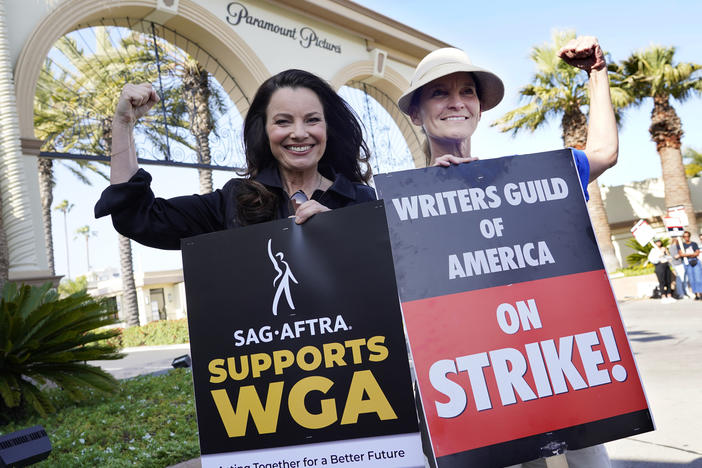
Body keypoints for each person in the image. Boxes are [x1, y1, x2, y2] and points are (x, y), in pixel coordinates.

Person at [398, 36, 617, 468]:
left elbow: (603, 153)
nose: (456, 102)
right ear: (416, 113)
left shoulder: (522, 182)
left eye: (467, 91)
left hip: (550, 371)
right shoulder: (397, 204)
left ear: (479, 107)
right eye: (440, 92)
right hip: (465, 390)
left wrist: (597, 74)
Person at [95, 69, 376, 248]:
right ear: (263, 131)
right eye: (283, 121)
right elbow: (138, 218)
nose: (299, 133)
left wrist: (343, 233)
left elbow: (401, 274)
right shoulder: (234, 202)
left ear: (328, 128)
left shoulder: (364, 201)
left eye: (312, 120)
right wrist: (123, 124)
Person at [677, 231, 702, 300]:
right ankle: (696, 294)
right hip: (687, 263)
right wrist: (691, 254)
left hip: (695, 261)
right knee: (691, 279)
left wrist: (687, 254)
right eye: (685, 236)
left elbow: (697, 253)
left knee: (698, 278)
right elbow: (681, 254)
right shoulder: (681, 245)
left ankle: (700, 293)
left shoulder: (694, 244)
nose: (686, 238)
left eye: (687, 236)